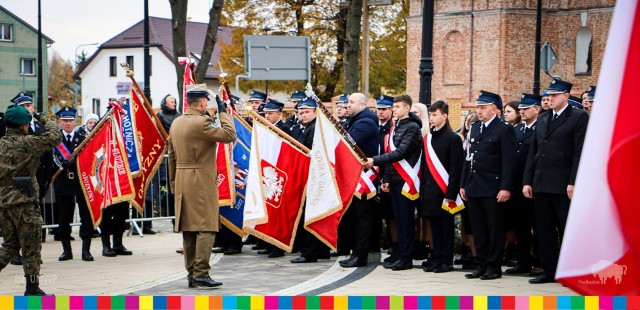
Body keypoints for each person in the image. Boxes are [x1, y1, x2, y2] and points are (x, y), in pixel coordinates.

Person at [168, 83, 236, 289]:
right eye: (207, 102)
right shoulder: (202, 122)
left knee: (189, 229)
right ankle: (201, 273)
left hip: (182, 178)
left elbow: (171, 156)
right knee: (207, 226)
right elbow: (229, 136)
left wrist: (173, 183)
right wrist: (224, 114)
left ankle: (192, 274)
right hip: (199, 180)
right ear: (202, 102)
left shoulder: (176, 123)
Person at [523, 79, 589, 284]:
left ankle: (574, 270)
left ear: (566, 96)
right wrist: (528, 181)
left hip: (563, 184)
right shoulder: (543, 119)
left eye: (554, 95)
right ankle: (549, 270)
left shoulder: (578, 117)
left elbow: (580, 152)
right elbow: (534, 152)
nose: (549, 98)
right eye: (548, 95)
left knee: (567, 227)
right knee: (544, 229)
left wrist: (574, 181)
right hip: (542, 182)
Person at [0, 105, 61, 296]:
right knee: (31, 246)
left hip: (3, 202)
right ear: (23, 125)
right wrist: (42, 117)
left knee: (10, 245)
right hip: (24, 202)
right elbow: (55, 136)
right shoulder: (28, 143)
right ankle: (32, 288)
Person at [459, 90, 517, 281]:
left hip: (493, 187)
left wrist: (506, 187)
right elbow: (469, 158)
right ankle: (481, 264)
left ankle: (493, 266)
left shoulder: (504, 129)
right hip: (475, 186)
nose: (480, 111)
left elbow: (509, 161)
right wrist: (463, 183)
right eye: (478, 107)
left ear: (494, 109)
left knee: (494, 228)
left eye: (483, 108)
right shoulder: (475, 128)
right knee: (478, 228)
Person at [365, 94, 424, 271]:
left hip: (406, 180)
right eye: (394, 107)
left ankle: (406, 258)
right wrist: (387, 179)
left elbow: (401, 152)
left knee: (406, 221)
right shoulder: (395, 126)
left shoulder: (412, 128)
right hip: (395, 180)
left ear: (407, 108)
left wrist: (374, 160)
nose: (394, 109)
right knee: (398, 219)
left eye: (398, 107)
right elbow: (391, 156)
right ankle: (400, 254)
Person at [420, 101, 463, 273]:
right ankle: (437, 257)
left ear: (444, 116)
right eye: (430, 115)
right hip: (430, 191)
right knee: (435, 227)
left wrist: (451, 193)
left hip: (444, 191)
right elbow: (425, 167)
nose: (432, 118)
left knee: (445, 227)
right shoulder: (429, 138)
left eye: (435, 114)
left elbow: (455, 169)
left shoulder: (453, 138)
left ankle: (446, 260)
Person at [339, 93, 379, 268]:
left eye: (352, 102)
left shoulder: (365, 122)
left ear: (363, 104)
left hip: (364, 178)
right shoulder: (356, 120)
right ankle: (356, 252)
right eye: (348, 102)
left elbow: (348, 143)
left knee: (362, 218)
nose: (348, 105)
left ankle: (360, 255)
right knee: (356, 217)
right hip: (355, 175)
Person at [504, 93, 542, 276]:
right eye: (521, 109)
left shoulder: (541, 129)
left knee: (539, 225)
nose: (523, 111)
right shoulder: (517, 130)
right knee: (521, 226)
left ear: (537, 109)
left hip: (534, 185)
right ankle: (523, 261)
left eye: (527, 108)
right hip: (517, 185)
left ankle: (540, 261)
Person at [290, 97, 331, 263]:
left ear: (315, 112)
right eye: (300, 112)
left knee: (312, 215)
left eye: (307, 112)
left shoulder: (314, 129)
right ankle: (321, 250)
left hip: (315, 178)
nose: (303, 115)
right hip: (313, 177)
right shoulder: (309, 128)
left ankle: (310, 252)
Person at [53, 107, 95, 262]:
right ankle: (66, 250)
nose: (68, 124)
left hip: (80, 182)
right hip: (63, 182)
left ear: (75, 122)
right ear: (60, 122)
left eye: (70, 121)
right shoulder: (56, 140)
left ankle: (86, 250)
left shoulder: (82, 138)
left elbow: (88, 159)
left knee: (85, 216)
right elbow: (54, 160)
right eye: (65, 121)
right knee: (64, 217)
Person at [375, 95, 397, 263]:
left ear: (391, 110)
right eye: (379, 109)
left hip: (389, 175)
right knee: (381, 213)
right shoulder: (375, 126)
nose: (380, 112)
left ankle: (395, 246)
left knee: (393, 215)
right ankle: (384, 243)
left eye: (384, 109)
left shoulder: (393, 128)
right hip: (375, 175)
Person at [409, 101, 431, 261]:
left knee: (426, 214)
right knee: (414, 214)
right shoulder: (410, 132)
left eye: (416, 113)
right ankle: (415, 242)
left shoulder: (428, 135)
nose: (413, 116)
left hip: (427, 178)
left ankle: (426, 243)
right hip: (412, 177)